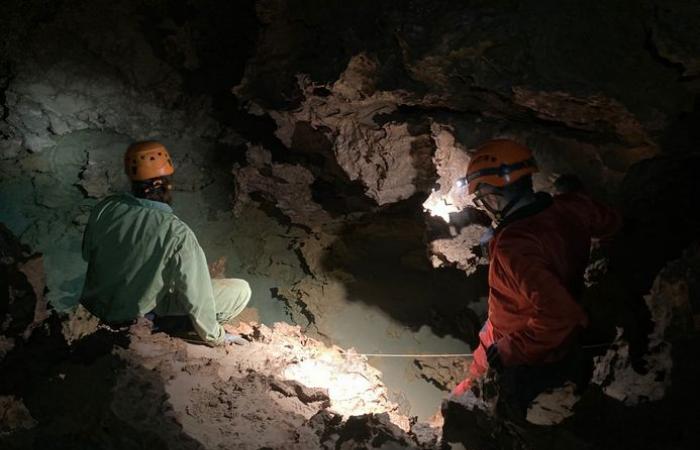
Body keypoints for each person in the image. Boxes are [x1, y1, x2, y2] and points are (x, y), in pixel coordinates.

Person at [451, 139, 621, 413]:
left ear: (494, 196)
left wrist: (511, 350)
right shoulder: (570, 207)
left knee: (498, 401)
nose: (485, 207)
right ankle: (461, 394)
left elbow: (561, 315)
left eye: (483, 200)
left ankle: (463, 407)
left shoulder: (514, 247)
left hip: (525, 346)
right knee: (479, 361)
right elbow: (611, 222)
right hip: (503, 323)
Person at [79, 141, 251, 346]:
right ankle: (176, 331)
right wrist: (217, 337)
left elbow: (87, 254)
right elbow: (198, 297)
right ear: (166, 183)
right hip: (137, 317)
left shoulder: (106, 208)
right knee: (240, 290)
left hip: (94, 308)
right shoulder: (177, 233)